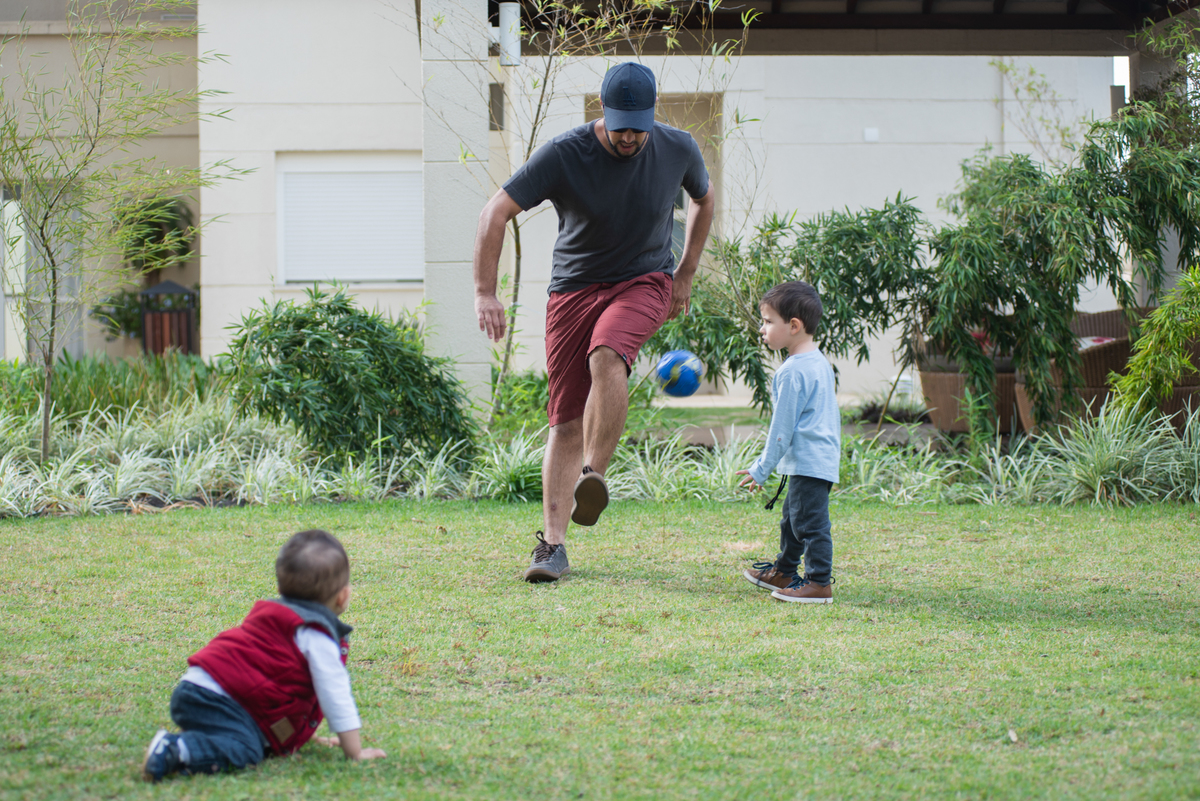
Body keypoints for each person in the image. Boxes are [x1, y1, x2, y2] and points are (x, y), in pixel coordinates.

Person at [473, 62, 716, 582]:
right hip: (573, 290)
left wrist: (686, 271)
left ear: (652, 115)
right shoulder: (565, 153)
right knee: (564, 420)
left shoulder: (678, 148)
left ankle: (594, 477)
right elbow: (495, 212)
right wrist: (484, 292)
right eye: (621, 127)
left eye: (638, 128)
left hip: (644, 280)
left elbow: (704, 197)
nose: (629, 137)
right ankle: (552, 547)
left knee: (608, 351)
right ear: (602, 111)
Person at [141, 529, 385, 781]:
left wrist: (303, 734)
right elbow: (335, 696)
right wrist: (355, 752)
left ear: (281, 587)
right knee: (246, 750)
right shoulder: (317, 637)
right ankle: (174, 749)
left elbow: (279, 685)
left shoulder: (271, 613)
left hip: (196, 687)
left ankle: (205, 735)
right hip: (222, 699)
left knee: (244, 733)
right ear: (343, 596)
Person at [736, 281, 841, 604]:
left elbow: (781, 430)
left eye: (768, 321)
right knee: (793, 520)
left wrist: (760, 469)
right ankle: (784, 571)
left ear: (793, 326)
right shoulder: (818, 361)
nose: (762, 329)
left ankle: (819, 583)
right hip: (817, 458)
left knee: (810, 524)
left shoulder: (793, 372)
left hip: (810, 459)